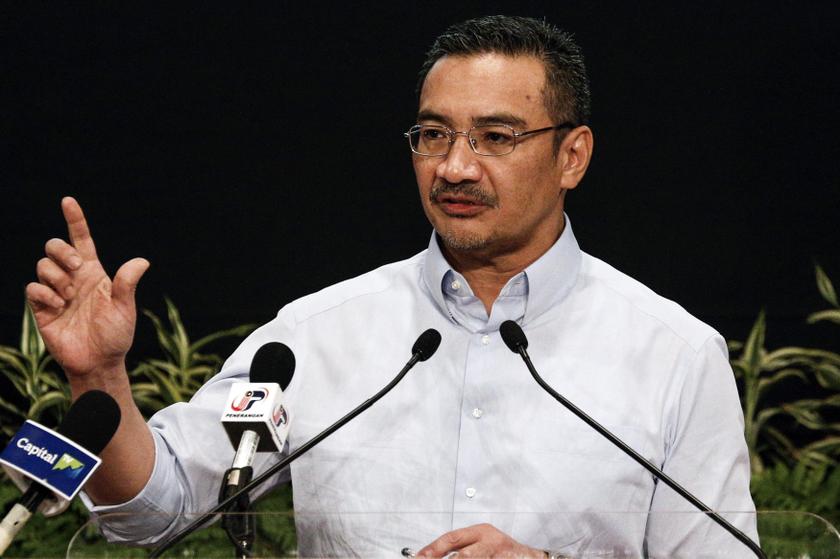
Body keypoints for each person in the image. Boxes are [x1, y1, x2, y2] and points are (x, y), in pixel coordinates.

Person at [26, 15, 757, 558]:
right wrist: (100, 378)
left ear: (573, 155)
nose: (455, 167)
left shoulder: (673, 354)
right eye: (434, 135)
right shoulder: (317, 336)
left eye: (495, 137)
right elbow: (161, 506)